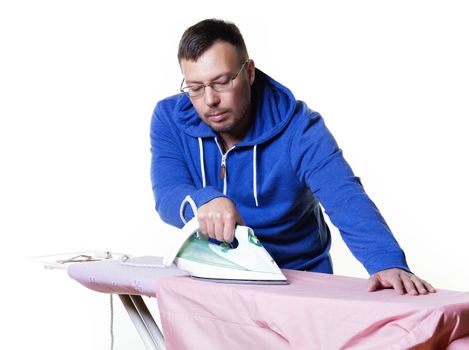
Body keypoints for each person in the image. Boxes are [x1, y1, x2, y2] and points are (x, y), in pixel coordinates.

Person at [150, 18, 435, 295]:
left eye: (222, 82)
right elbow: (167, 194)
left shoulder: (300, 129)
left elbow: (344, 195)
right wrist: (206, 200)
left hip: (298, 280)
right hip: (216, 280)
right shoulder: (169, 119)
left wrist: (386, 262)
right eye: (196, 88)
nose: (210, 99)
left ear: (249, 72)